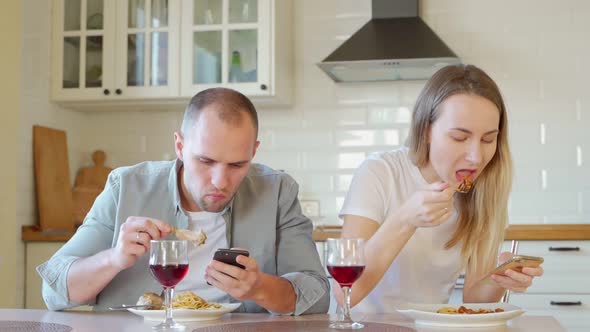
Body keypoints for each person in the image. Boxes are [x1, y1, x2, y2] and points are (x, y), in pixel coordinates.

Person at [37, 88, 330, 315]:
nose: (220, 181)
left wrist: (259, 288)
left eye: (237, 165)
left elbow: (317, 294)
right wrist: (113, 259)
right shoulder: (126, 186)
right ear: (179, 145)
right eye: (205, 161)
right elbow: (54, 292)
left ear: (254, 152)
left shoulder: (277, 191)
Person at [336, 64, 543, 312]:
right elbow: (345, 292)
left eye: (488, 139)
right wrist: (405, 219)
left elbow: (475, 301)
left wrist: (499, 277)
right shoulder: (380, 172)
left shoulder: (485, 189)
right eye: (459, 138)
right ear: (426, 132)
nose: (476, 157)